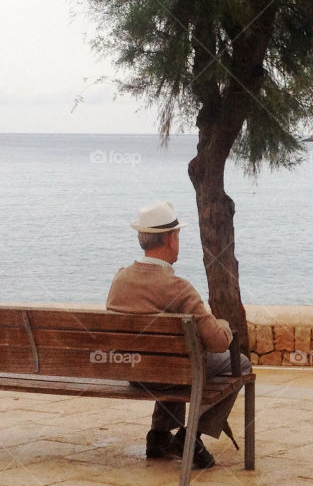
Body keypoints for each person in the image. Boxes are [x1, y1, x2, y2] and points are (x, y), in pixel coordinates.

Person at [106, 200, 250, 469]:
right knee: (238, 363)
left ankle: (159, 436)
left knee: (172, 362)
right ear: (171, 239)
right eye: (178, 236)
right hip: (168, 371)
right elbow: (218, 344)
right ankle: (189, 435)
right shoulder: (178, 288)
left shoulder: (120, 280)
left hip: (133, 372)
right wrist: (223, 325)